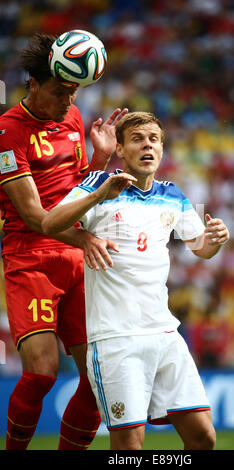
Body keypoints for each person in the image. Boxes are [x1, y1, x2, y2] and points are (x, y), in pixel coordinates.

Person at [42, 111, 230, 450]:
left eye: (154, 140)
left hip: (164, 333)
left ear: (161, 150)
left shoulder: (172, 194)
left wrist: (213, 240)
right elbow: (49, 222)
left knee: (203, 437)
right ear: (121, 150)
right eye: (138, 140)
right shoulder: (97, 184)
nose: (148, 146)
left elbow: (200, 248)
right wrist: (98, 198)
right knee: (129, 446)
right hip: (116, 339)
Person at [0, 33, 128, 450]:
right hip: (30, 256)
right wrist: (89, 224)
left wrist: (100, 160)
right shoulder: (7, 132)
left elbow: (75, 195)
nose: (67, 102)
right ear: (33, 84)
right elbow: (37, 218)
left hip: (75, 253)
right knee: (40, 373)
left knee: (99, 379)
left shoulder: (72, 121)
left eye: (72, 93)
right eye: (59, 92)